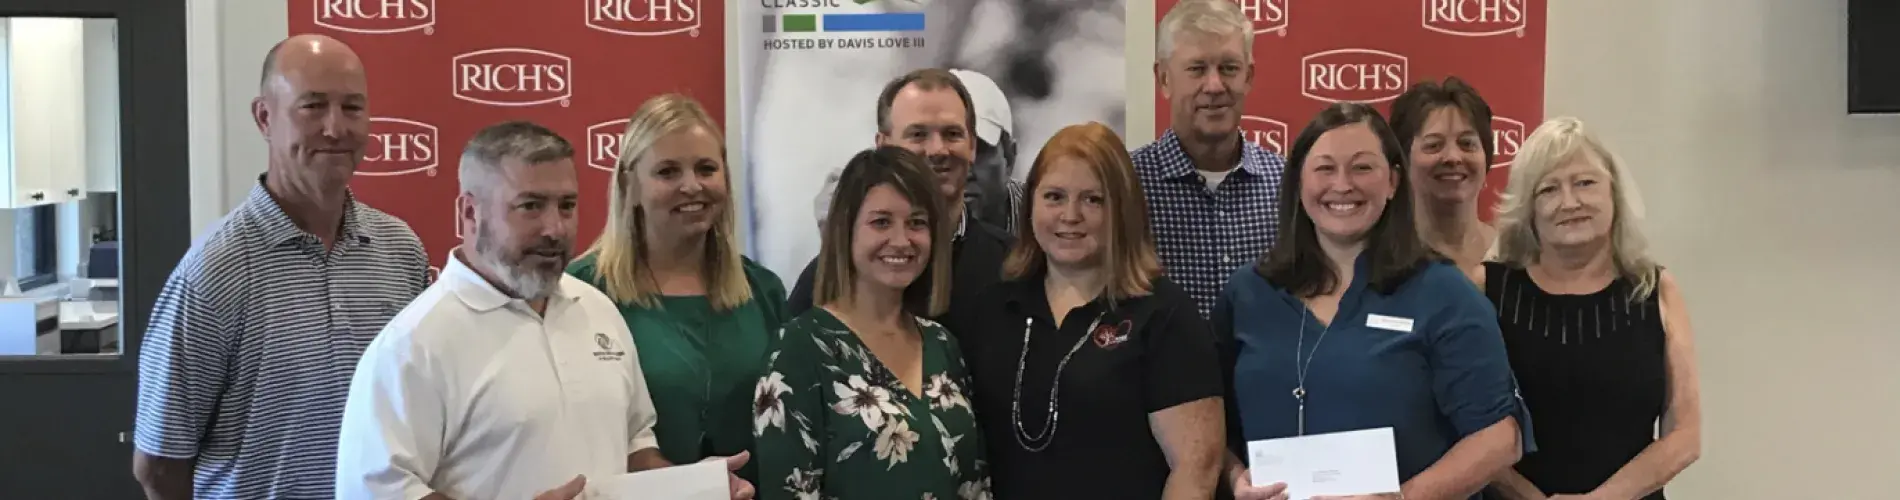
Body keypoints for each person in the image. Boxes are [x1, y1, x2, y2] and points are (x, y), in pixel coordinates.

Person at [332, 121, 752, 500]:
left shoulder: (597, 309)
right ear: (469, 213)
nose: (556, 229)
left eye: (567, 205)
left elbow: (634, 444)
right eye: (530, 206)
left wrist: (692, 488)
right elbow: (376, 490)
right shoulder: (413, 344)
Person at [131, 34, 430, 500]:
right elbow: (159, 465)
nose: (336, 128)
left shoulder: (400, 250)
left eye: (353, 108)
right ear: (265, 118)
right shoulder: (214, 273)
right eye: (313, 107)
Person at [1216, 103, 1531, 500]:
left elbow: (1501, 436)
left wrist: (1405, 498)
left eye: (1363, 167)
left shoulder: (1443, 293)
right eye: (1325, 168)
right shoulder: (1248, 294)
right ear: (1297, 182)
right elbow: (1211, 424)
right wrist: (1235, 477)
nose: (1343, 184)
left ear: (1394, 182)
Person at [959, 122, 1228, 498]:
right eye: (1054, 197)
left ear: (1123, 209)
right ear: (1030, 202)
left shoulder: (1164, 315)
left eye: (1093, 199)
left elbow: (1196, 469)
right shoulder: (992, 310)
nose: (1070, 215)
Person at [566, 94, 789, 485]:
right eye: (668, 172)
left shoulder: (764, 291)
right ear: (629, 185)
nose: (692, 186)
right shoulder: (581, 292)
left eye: (706, 169)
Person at [752, 147, 990, 500]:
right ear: (846, 230)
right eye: (881, 222)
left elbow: (976, 482)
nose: (901, 239)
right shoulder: (798, 350)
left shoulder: (942, 344)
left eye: (917, 223)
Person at [1481, 117, 1701, 500]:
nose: (1570, 202)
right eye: (1548, 189)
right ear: (1527, 208)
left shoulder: (1655, 289)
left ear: (1613, 193)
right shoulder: (1485, 290)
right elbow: (1464, 425)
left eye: (1585, 183)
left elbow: (1685, 436)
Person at [789, 69, 1015, 342]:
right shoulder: (830, 276)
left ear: (972, 147)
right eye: (918, 134)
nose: (938, 150)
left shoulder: (1013, 268)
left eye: (952, 134)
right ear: (883, 146)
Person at [1135, 0, 1287, 319]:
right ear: (1163, 79)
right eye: (1197, 69)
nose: (1215, 86)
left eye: (1229, 68)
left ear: (1249, 76)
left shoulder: (1288, 184)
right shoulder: (1126, 184)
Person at [812, 68, 1025, 235]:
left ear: (1009, 157)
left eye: (980, 148)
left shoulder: (1046, 218)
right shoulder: (874, 216)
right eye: (920, 136)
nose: (947, 157)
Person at [1389, 77, 1499, 278]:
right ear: (1403, 160)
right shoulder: (1381, 261)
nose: (1453, 157)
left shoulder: (1516, 256)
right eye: (1434, 145)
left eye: (1466, 143)